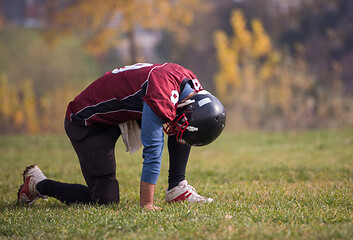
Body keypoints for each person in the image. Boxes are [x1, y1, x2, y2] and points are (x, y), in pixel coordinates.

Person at [18, 63, 226, 210]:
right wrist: (147, 204)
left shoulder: (189, 87)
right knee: (103, 200)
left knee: (182, 124)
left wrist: (183, 128)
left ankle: (176, 188)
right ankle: (38, 183)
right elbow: (153, 151)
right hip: (88, 120)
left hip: (123, 111)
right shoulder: (161, 92)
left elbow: (182, 121)